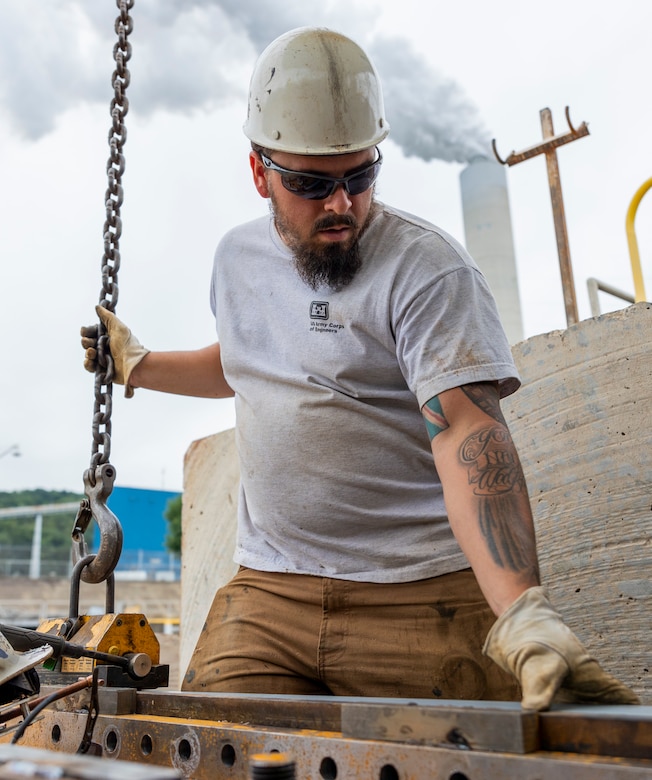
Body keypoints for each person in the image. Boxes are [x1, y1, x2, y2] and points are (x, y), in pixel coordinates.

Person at [81, 27, 638, 710]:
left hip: (419, 593)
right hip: (270, 592)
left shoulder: (426, 269)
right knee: (207, 744)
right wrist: (137, 365)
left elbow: (465, 428)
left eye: (359, 176)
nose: (341, 204)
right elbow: (244, 364)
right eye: (311, 184)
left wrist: (522, 611)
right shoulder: (236, 261)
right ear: (260, 173)